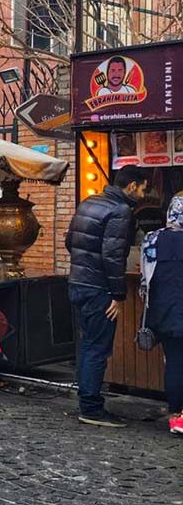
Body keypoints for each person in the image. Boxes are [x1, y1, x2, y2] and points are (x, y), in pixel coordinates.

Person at [65, 165, 148, 428]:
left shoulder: (89, 202)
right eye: (144, 189)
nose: (144, 195)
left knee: (88, 345)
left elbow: (70, 241)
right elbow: (113, 256)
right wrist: (117, 294)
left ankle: (86, 401)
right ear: (132, 186)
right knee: (97, 348)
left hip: (78, 283)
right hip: (98, 289)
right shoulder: (120, 210)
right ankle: (90, 408)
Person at [140, 196, 183, 435]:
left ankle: (176, 419)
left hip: (165, 311)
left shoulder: (152, 239)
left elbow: (145, 279)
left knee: (175, 363)